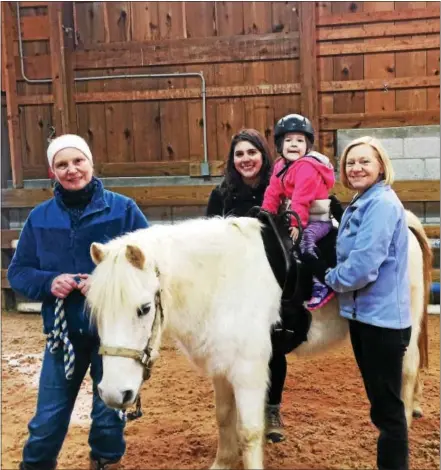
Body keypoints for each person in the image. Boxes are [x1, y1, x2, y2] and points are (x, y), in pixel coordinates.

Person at [8, 134, 149, 470]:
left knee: (108, 420)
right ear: (52, 171)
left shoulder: (124, 210)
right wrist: (47, 281)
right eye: (62, 164)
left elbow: (149, 266)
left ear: (90, 163)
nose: (71, 170)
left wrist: (102, 284)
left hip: (110, 337)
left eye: (77, 161)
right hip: (63, 337)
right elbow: (19, 272)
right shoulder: (39, 218)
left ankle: (105, 463)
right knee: (46, 421)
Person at [322, 136, 411, 470]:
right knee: (382, 405)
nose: (356, 168)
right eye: (350, 163)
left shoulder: (382, 204)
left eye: (364, 161)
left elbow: (362, 266)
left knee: (388, 411)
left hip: (382, 324)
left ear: (381, 166)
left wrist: (329, 278)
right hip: (367, 318)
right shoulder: (364, 201)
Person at [206, 129, 288, 443]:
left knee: (273, 346)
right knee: (234, 348)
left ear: (263, 155)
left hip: (274, 281)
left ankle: (272, 409)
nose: (245, 159)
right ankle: (240, 409)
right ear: (232, 159)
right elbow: (209, 240)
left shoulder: (278, 188)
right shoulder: (221, 194)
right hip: (234, 286)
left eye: (251, 152)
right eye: (239, 154)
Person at [261, 114, 336, 310]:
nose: (294, 145)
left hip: (317, 219)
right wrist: (265, 215)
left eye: (300, 140)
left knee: (305, 242)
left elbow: (301, 199)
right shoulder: (281, 166)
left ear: (308, 145)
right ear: (279, 144)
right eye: (288, 140)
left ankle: (323, 283)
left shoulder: (306, 167)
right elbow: (273, 191)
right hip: (299, 217)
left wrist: (296, 225)